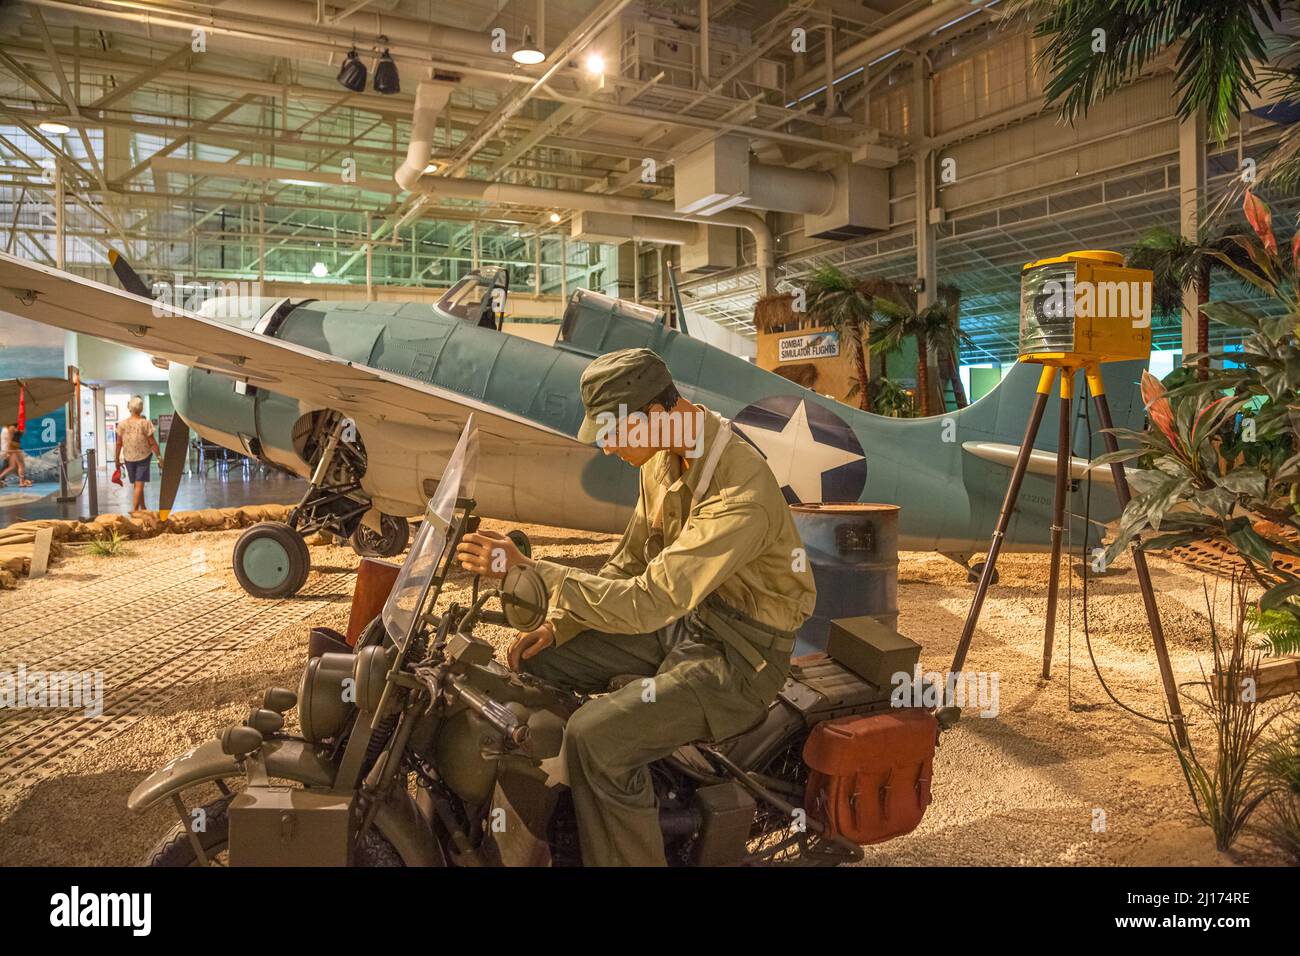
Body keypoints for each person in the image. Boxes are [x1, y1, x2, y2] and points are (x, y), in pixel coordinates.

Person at [455, 347, 816, 866]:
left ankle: (619, 806)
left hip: (739, 657)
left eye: (612, 433)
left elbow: (651, 600)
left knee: (595, 738)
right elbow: (630, 564)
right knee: (536, 661)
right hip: (684, 622)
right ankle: (580, 810)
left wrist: (532, 572)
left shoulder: (739, 494)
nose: (605, 448)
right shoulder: (663, 456)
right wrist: (560, 624)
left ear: (655, 416)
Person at [115, 396, 161, 512]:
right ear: (141, 409)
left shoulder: (122, 424)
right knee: (139, 485)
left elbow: (118, 443)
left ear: (130, 408)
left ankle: (143, 507)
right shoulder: (145, 423)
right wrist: (160, 457)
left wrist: (116, 459)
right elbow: (152, 442)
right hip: (143, 457)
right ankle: (135, 511)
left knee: (137, 485)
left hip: (128, 457)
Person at [0, 422, 31, 487]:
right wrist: (8, 451)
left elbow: (23, 433)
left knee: (12, 466)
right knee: (20, 465)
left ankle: (22, 481)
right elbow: (10, 440)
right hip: (14, 448)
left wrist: (21, 429)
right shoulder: (11, 428)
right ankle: (22, 482)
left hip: (15, 448)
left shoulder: (16, 428)